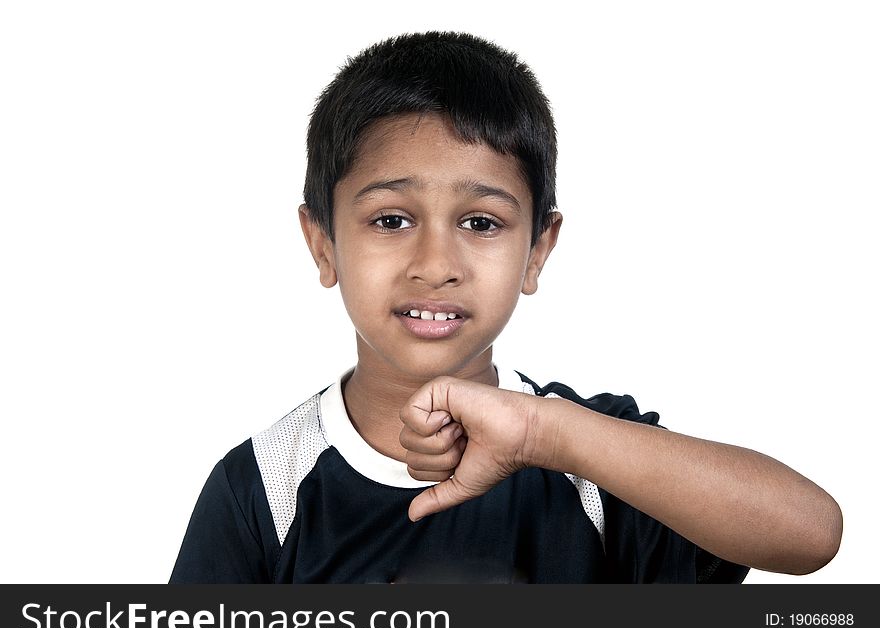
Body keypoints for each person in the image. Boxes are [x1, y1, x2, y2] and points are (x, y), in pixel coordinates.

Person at [169, 30, 842, 583]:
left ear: (537, 250)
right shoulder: (262, 488)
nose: (435, 265)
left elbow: (810, 534)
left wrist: (543, 434)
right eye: (391, 220)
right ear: (323, 244)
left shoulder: (591, 459)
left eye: (482, 223)